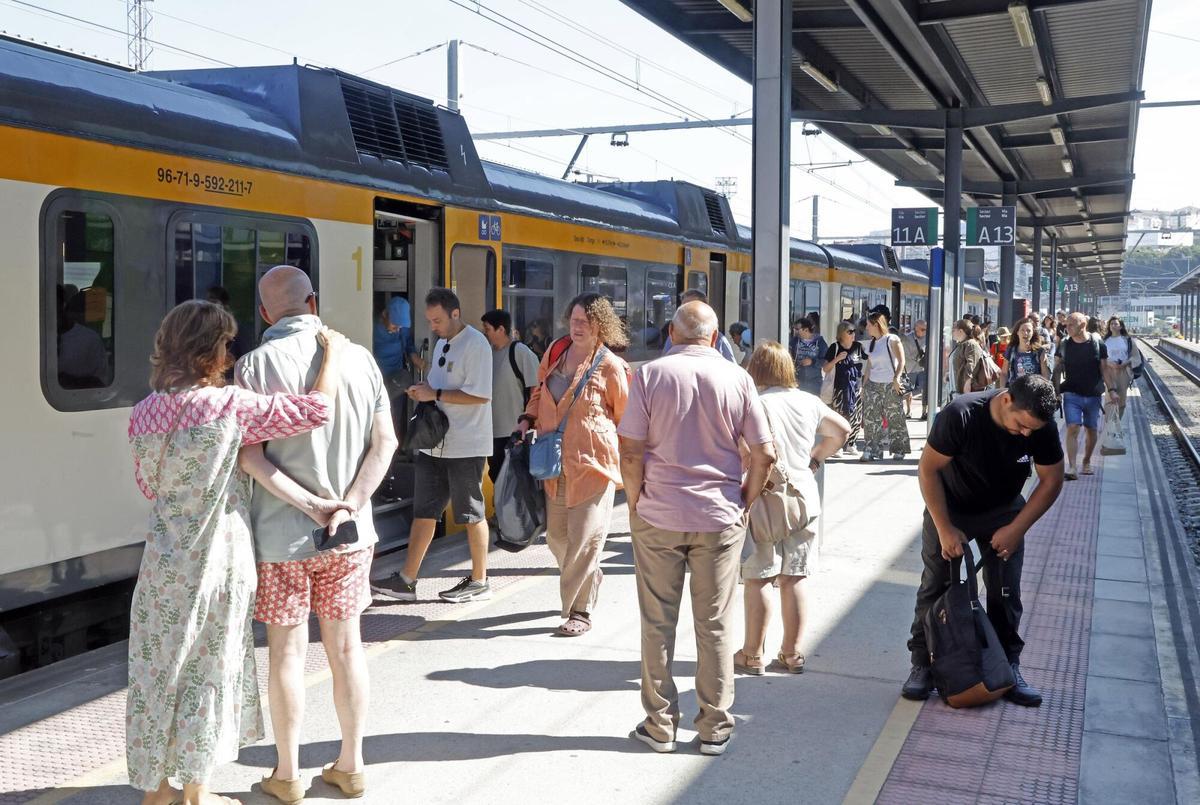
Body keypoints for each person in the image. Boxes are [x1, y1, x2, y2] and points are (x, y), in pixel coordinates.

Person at [126, 300, 343, 805]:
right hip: (219, 559)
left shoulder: (142, 415)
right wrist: (330, 354)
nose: (231, 351)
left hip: (161, 564)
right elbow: (317, 411)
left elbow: (148, 484)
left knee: (158, 672)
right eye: (226, 343)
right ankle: (196, 792)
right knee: (209, 669)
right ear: (210, 350)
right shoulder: (230, 405)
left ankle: (157, 790)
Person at [234, 267, 398, 803]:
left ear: (264, 313)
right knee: (347, 648)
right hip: (348, 537)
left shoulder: (254, 366)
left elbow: (250, 456)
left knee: (285, 654)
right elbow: (385, 443)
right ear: (314, 301)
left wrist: (309, 504)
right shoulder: (360, 359)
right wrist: (348, 505)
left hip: (280, 540)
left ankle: (287, 774)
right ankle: (351, 764)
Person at [618, 300, 775, 757]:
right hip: (719, 518)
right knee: (715, 625)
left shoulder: (649, 375)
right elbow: (764, 455)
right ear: (714, 335)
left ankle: (660, 725)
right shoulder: (739, 378)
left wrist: (636, 500)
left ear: (671, 332)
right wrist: (744, 500)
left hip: (658, 515)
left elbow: (630, 451)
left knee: (657, 623)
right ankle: (714, 728)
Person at [901, 374, 1064, 707]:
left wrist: (1018, 528)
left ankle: (1007, 666)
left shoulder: (1039, 425)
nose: (1026, 434)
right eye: (1021, 426)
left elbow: (1052, 480)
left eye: (1031, 430)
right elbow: (928, 470)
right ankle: (922, 665)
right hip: (951, 507)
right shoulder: (960, 414)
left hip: (1005, 511)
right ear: (1006, 400)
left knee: (1005, 591)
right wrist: (945, 528)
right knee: (935, 586)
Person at [733, 343, 850, 676]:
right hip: (802, 498)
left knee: (759, 578)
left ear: (756, 370)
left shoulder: (756, 404)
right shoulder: (808, 401)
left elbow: (747, 453)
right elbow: (841, 430)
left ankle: (753, 655)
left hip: (765, 500)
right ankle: (792, 654)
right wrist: (814, 459)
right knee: (794, 577)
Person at [372, 288, 494, 603]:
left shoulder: (476, 345)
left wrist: (435, 395)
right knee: (424, 511)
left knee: (470, 512)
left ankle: (480, 580)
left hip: (466, 445)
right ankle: (407, 579)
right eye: (429, 321)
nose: (433, 327)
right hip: (434, 443)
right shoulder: (442, 343)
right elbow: (441, 387)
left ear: (455, 313)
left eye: (437, 320)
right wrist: (424, 390)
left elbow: (480, 395)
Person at [517, 294, 629, 636]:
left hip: (593, 464)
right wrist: (527, 417)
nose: (577, 328)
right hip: (553, 462)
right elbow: (539, 391)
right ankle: (590, 575)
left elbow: (626, 416)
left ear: (601, 326)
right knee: (557, 539)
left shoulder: (610, 365)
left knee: (584, 540)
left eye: (585, 322)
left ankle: (579, 611)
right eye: (574, 321)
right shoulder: (556, 352)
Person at [481, 309, 540, 483]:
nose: (485, 333)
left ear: (501, 329)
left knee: (515, 479)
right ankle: (501, 510)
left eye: (487, 328)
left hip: (514, 430)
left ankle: (514, 511)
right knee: (496, 475)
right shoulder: (487, 353)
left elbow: (535, 389)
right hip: (491, 429)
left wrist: (530, 421)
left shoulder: (519, 351)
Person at [1057, 312, 1113, 480]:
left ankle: (1087, 460)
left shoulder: (1098, 344)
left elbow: (1104, 369)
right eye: (1066, 325)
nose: (1066, 328)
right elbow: (1057, 367)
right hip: (1071, 393)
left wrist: (1113, 390)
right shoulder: (1065, 344)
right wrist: (1055, 390)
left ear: (1082, 325)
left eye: (1070, 325)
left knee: (1091, 429)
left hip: (1093, 394)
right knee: (1073, 427)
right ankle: (1072, 466)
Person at [861, 310, 910, 461]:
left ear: (876, 324)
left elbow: (902, 361)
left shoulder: (892, 339)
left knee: (895, 417)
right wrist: (864, 386)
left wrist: (896, 378)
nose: (867, 328)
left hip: (890, 384)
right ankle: (872, 449)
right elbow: (869, 366)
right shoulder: (872, 343)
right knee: (871, 418)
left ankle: (899, 449)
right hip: (873, 385)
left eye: (869, 325)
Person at [823, 321, 867, 456]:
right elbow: (825, 368)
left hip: (856, 388)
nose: (853, 334)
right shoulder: (834, 347)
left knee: (856, 417)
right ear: (841, 333)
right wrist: (837, 359)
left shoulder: (858, 347)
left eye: (854, 331)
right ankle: (838, 446)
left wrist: (864, 384)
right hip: (839, 388)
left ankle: (851, 444)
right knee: (839, 417)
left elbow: (869, 361)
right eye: (850, 332)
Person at [660, 289, 738, 362]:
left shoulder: (720, 341)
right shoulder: (671, 338)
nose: (688, 310)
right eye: (684, 307)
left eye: (693, 306)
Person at [1103, 316, 1138, 417]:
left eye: (1116, 324)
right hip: (1109, 372)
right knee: (1109, 398)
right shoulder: (1105, 340)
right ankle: (1110, 424)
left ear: (1120, 326)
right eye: (1111, 324)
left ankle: (1118, 422)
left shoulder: (1127, 340)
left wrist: (1125, 363)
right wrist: (1109, 363)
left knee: (1121, 399)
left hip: (1123, 372)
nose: (1113, 326)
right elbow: (1100, 358)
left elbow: (1135, 356)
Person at [1002, 318, 1051, 387]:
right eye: (1022, 330)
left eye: (1028, 331)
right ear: (1017, 332)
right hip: (1015, 392)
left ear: (1033, 333)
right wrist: (1003, 390)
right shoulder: (1011, 350)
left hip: (1034, 392)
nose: (1025, 333)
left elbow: (1045, 374)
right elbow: (1004, 373)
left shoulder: (1040, 351)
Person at [789, 317, 827, 395]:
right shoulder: (794, 341)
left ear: (806, 330)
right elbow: (789, 358)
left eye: (797, 329)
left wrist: (812, 361)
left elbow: (825, 361)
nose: (795, 331)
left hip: (814, 383)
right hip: (798, 381)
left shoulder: (820, 342)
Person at [950, 319, 986, 397]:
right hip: (958, 391)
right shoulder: (961, 344)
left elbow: (971, 366)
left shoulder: (971, 344)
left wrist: (967, 389)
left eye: (953, 330)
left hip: (966, 392)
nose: (951, 332)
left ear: (961, 331)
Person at [901, 320, 927, 419]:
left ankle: (924, 411)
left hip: (922, 368)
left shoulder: (929, 338)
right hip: (910, 368)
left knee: (925, 390)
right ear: (916, 328)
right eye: (923, 329)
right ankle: (908, 410)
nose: (925, 332)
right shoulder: (907, 338)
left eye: (926, 330)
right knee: (908, 391)